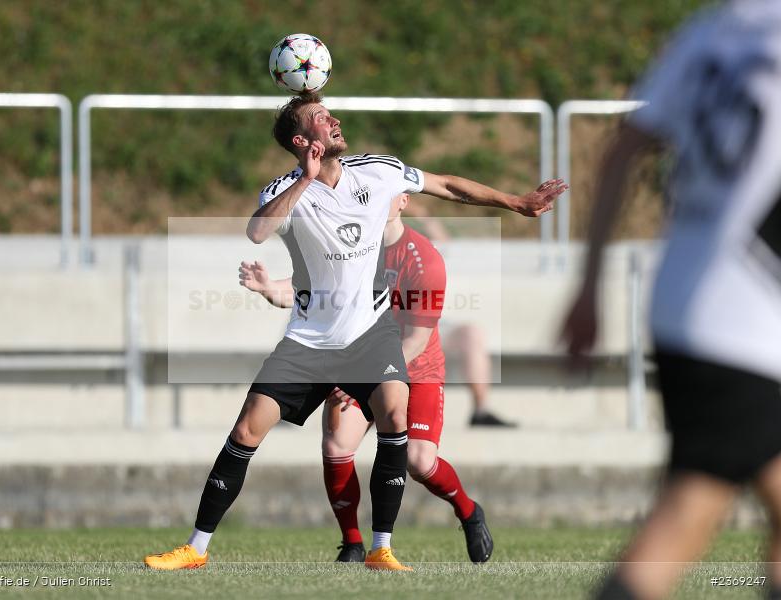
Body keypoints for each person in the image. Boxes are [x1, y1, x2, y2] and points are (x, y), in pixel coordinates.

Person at [145, 92, 565, 572]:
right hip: (307, 340)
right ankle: (195, 549)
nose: (336, 120)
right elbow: (258, 232)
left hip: (370, 336)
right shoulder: (287, 189)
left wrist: (516, 202)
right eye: (323, 118)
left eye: (331, 114)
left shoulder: (378, 172)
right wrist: (305, 179)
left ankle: (380, 549)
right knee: (247, 429)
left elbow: (447, 185)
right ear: (304, 141)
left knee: (394, 415)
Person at [560, 2, 781, 598]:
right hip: (748, 319)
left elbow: (622, 150)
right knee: (687, 512)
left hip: (682, 296)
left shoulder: (716, 28)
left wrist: (587, 288)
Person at [239, 192, 496, 564]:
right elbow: (306, 290)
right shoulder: (354, 244)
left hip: (415, 369)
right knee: (336, 445)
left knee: (420, 460)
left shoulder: (424, 261)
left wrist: (367, 372)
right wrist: (267, 288)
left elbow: (417, 339)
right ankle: (353, 543)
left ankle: (469, 511)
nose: (369, 201)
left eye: (380, 194)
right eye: (364, 194)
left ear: (403, 201)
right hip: (358, 365)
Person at [401, 202, 514, 427]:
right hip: (399, 325)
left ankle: (480, 411)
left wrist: (421, 212)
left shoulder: (429, 250)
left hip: (434, 325)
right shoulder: (388, 243)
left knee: (472, 334)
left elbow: (443, 242)